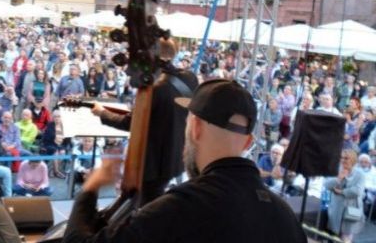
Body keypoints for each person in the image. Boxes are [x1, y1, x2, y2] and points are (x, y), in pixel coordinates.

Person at [64, 79, 307, 243]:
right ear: (247, 142)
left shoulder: (175, 211)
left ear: (196, 129)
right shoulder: (287, 219)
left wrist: (90, 187)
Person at [91, 38, 198, 205]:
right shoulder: (190, 78)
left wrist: (102, 113)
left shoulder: (152, 86)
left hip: (153, 163)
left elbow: (132, 124)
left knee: (144, 207)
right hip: (176, 156)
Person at [324, 149, 365, 242]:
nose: (343, 160)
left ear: (353, 159)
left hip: (351, 209)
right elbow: (326, 185)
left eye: (346, 158)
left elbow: (357, 191)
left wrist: (341, 192)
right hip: (336, 208)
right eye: (341, 158)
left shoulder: (360, 174)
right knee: (333, 236)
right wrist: (338, 178)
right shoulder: (336, 170)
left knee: (346, 237)